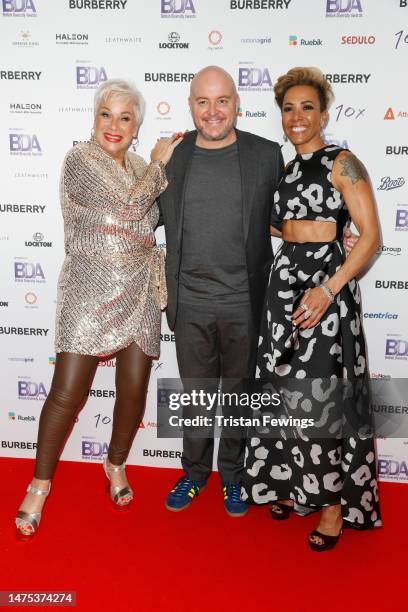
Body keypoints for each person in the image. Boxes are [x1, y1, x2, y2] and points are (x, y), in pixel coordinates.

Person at [15, 79, 181, 538]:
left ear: (136, 127)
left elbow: (166, 215)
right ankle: (39, 484)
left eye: (125, 118)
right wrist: (161, 161)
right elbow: (130, 205)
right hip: (88, 287)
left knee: (132, 390)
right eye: (106, 114)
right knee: (67, 393)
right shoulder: (80, 160)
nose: (114, 125)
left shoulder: (140, 167)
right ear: (94, 118)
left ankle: (115, 464)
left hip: (140, 287)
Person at [243, 67, 381, 550]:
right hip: (284, 285)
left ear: (324, 112)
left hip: (327, 288)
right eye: (288, 108)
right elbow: (284, 225)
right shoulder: (285, 169)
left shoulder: (343, 162)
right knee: (282, 389)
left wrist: (329, 287)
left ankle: (332, 506)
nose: (297, 117)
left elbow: (373, 237)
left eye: (307, 107)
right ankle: (290, 484)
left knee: (321, 399)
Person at [158, 65, 285, 516]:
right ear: (191, 105)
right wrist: (152, 167)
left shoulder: (266, 155)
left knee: (236, 395)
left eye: (222, 101)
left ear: (237, 104)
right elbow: (137, 215)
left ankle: (233, 477)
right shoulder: (170, 155)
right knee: (195, 395)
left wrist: (338, 234)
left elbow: (287, 216)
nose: (213, 112)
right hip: (189, 299)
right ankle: (194, 473)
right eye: (202, 102)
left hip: (244, 301)